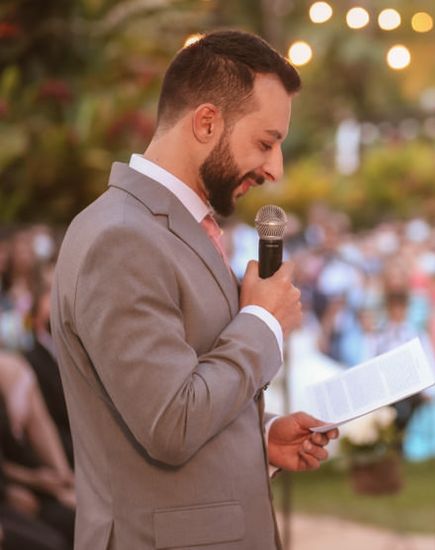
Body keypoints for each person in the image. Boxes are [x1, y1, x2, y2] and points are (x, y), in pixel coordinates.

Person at [51, 30, 338, 549]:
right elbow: (171, 421)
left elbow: (178, 393)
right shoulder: (121, 238)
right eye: (266, 143)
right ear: (207, 122)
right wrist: (263, 322)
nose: (276, 168)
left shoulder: (178, 228)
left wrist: (261, 437)